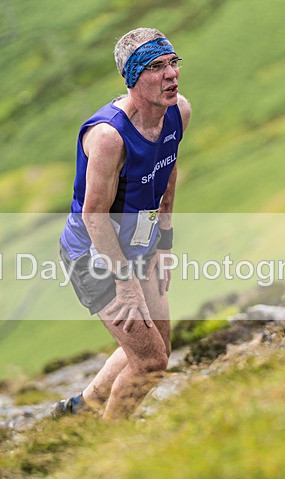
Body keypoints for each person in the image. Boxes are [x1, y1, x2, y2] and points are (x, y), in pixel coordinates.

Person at [54, 27, 191, 419]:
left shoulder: (178, 112)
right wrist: (126, 283)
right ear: (133, 79)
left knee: (157, 347)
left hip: (140, 245)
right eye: (156, 68)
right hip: (94, 253)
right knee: (150, 363)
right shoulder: (109, 137)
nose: (171, 75)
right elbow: (93, 216)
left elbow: (168, 172)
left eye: (172, 64)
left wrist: (164, 244)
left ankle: (79, 411)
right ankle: (110, 451)